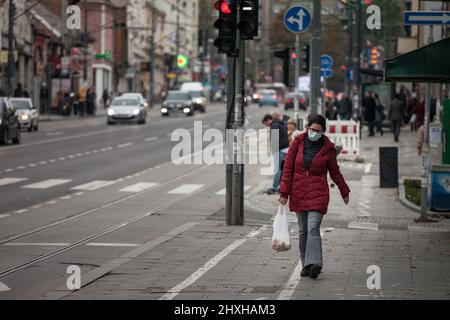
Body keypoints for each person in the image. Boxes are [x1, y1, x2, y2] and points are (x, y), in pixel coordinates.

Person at [279, 114, 350, 279]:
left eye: (318, 131)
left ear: (323, 131)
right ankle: (305, 264)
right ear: (307, 128)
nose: (314, 133)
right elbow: (288, 169)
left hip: (318, 193)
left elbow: (335, 171)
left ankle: (315, 263)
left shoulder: (328, 148)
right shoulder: (297, 142)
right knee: (303, 230)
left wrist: (344, 189)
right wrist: (284, 193)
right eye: (312, 129)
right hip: (298, 192)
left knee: (313, 228)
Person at [262, 114, 289, 195]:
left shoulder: (274, 125)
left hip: (279, 149)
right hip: (285, 148)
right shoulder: (281, 123)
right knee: (283, 169)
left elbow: (274, 140)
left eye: (265, 123)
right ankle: (282, 186)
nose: (267, 125)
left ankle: (275, 186)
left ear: (268, 120)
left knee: (277, 169)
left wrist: (274, 151)